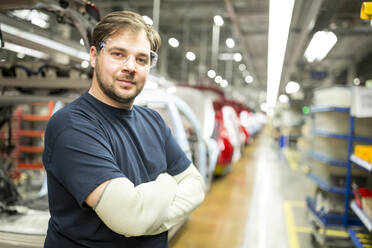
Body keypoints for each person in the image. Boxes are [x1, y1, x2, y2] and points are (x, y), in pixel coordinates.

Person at [42, 10, 205, 248]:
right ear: (94, 55)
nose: (131, 67)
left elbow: (196, 186)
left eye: (141, 59)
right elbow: (131, 218)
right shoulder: (71, 125)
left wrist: (147, 218)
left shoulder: (154, 121)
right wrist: (168, 183)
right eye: (118, 54)